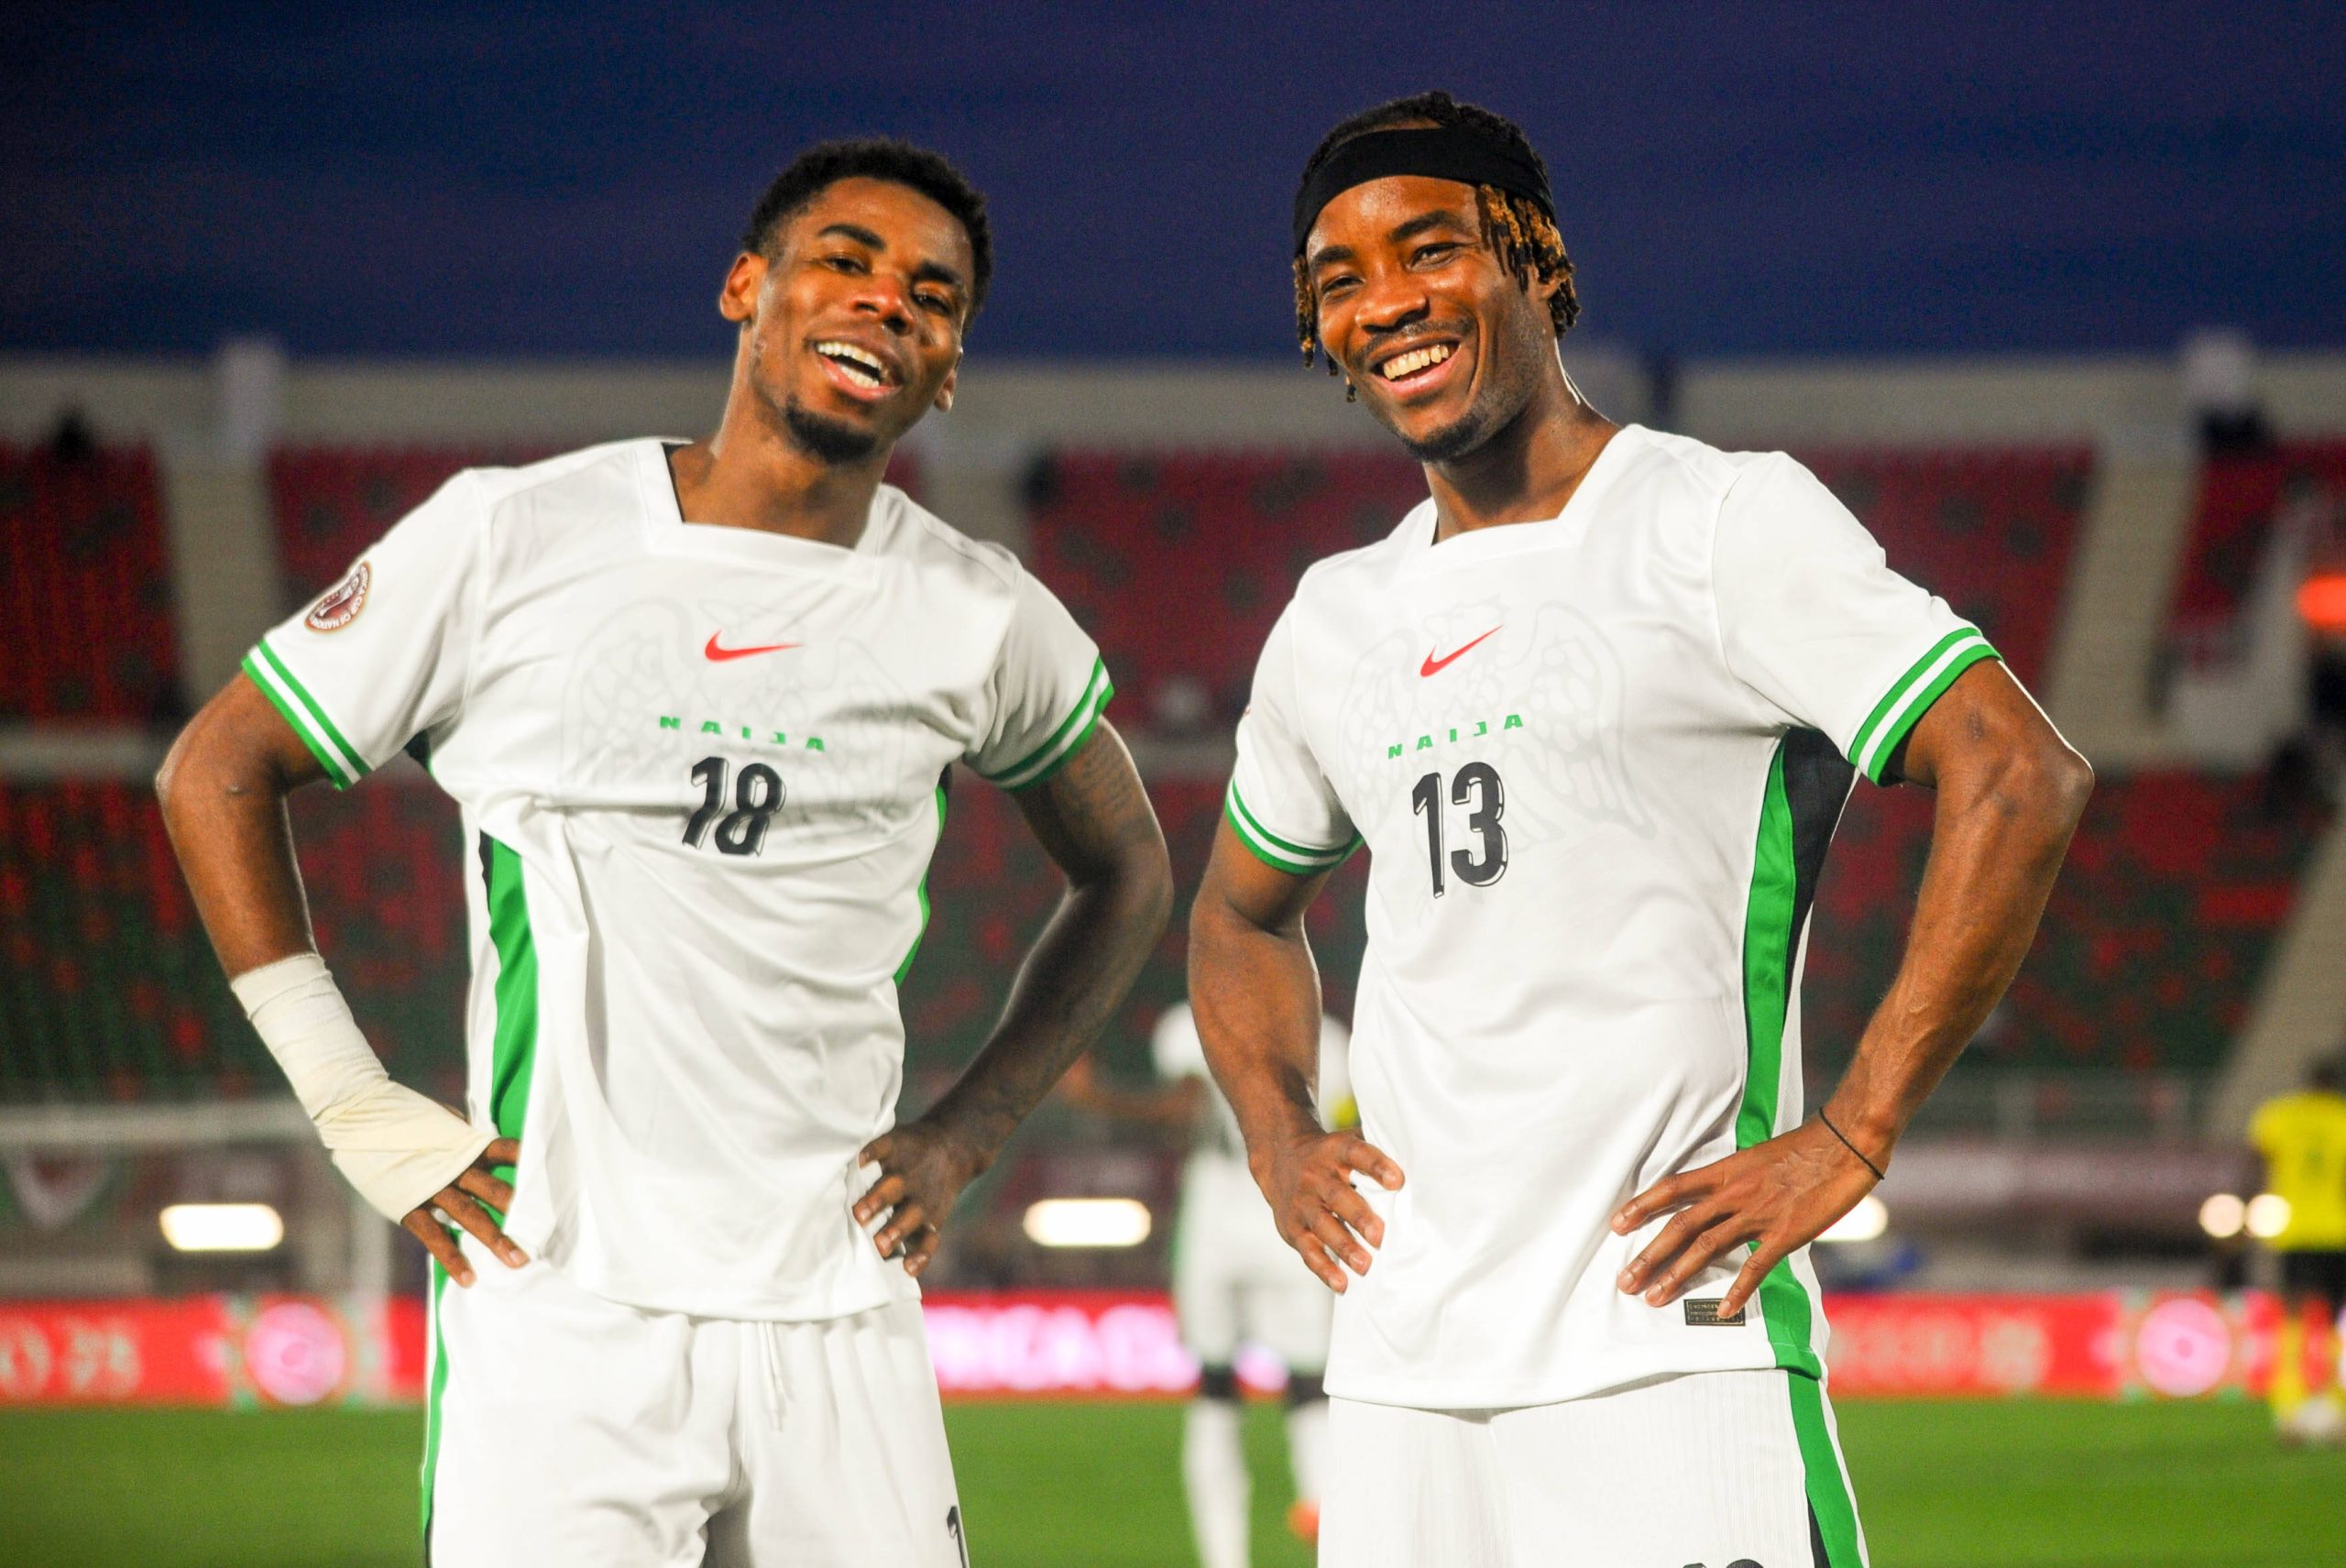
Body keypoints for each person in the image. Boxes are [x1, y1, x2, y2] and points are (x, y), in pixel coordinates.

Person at [156, 138, 1172, 1566]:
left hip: (842, 1306)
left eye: (933, 295)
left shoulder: (979, 613)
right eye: (846, 259)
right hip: (561, 1301)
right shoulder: (512, 539)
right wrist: (351, 1098)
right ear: (746, 286)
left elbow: (1129, 869)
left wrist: (970, 1132)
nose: (887, 300)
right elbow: (215, 767)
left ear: (950, 366)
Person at [1187, 91, 2093, 1568]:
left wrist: (1853, 1130)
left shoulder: (1717, 522)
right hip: (1402, 1379)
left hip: (1674, 1351)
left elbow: (2018, 771)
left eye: (1430, 249)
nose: (1386, 302)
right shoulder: (1333, 618)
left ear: (1535, 257)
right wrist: (1282, 1137)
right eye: (1339, 279)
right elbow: (1237, 911)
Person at [1063, 1002, 1351, 1565]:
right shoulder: (1333, 1037)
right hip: (1295, 1216)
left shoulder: (1193, 1021)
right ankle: (1327, 1524)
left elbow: (1187, 1106)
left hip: (1216, 1219)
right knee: (1309, 1384)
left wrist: (1100, 1098)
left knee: (1215, 1384)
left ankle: (1225, 1558)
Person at [2248, 1057, 2346, 1443]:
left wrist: (2251, 1207)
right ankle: (2336, 1406)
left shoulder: (2279, 1115)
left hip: (2294, 1231)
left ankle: (2289, 1408)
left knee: (2292, 1317)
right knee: (2337, 1319)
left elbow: (2256, 1163)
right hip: (2338, 1231)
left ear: (2307, 1083)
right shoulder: (2342, 1118)